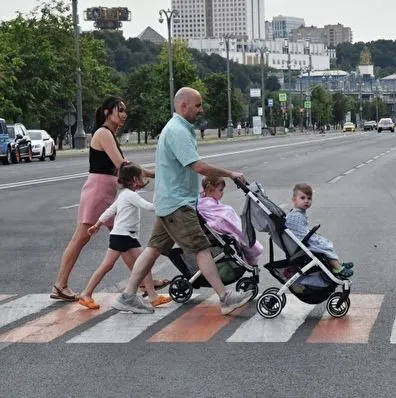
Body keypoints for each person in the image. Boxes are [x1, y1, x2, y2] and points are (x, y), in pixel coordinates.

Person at [112, 87, 253, 315]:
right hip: (178, 204)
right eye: (197, 105)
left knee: (153, 250)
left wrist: (146, 173)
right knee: (201, 248)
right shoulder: (177, 131)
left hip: (169, 202)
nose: (201, 109)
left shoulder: (176, 129)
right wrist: (230, 174)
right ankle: (225, 298)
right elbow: (196, 166)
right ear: (183, 105)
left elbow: (168, 169)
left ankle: (128, 295)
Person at [50, 97, 162, 302]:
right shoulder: (103, 133)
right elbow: (122, 165)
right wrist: (154, 174)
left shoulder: (109, 134)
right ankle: (60, 284)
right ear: (107, 112)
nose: (124, 114)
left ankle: (146, 283)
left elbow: (123, 167)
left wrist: (151, 174)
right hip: (98, 192)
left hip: (104, 192)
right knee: (86, 238)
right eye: (120, 110)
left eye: (125, 110)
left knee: (123, 238)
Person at [78, 163, 171, 309]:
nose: (142, 179)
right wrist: (165, 205)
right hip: (124, 236)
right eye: (140, 177)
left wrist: (97, 224)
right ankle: (152, 296)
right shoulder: (131, 195)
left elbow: (110, 210)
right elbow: (147, 206)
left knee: (109, 266)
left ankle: (87, 293)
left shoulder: (123, 195)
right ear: (134, 179)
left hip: (121, 235)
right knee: (143, 263)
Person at [285, 183, 354, 279]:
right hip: (301, 244)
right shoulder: (296, 215)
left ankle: (338, 263)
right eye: (302, 198)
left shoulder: (298, 213)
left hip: (301, 242)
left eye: (309, 198)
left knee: (323, 242)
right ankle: (337, 268)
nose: (306, 201)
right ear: (294, 200)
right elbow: (299, 234)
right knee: (323, 246)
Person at [197, 176, 263, 266]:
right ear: (209, 190)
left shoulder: (203, 201)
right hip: (221, 227)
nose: (222, 193)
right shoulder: (206, 204)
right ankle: (252, 249)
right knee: (233, 220)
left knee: (230, 213)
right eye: (220, 190)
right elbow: (217, 219)